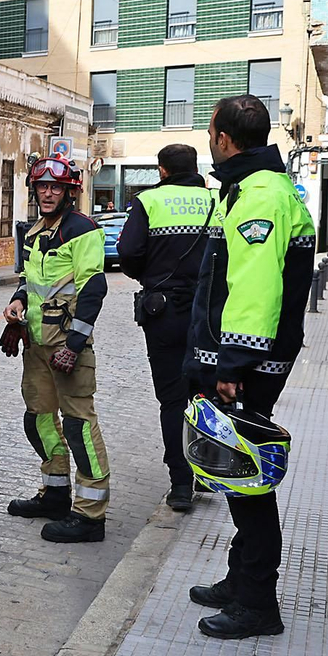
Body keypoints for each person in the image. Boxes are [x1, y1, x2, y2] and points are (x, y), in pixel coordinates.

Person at [184, 94, 315, 640]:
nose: (209, 143)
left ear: (223, 139)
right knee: (236, 474)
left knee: (247, 478)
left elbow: (255, 288)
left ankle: (258, 602)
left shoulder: (260, 196)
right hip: (243, 359)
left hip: (246, 364)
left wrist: (233, 365)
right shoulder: (253, 188)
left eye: (211, 134)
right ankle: (241, 579)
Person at [4, 156, 112, 542]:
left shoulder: (82, 230)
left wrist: (75, 345)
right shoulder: (34, 232)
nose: (48, 193)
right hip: (36, 344)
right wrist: (18, 300)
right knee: (39, 420)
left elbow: (93, 288)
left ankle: (90, 515)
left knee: (79, 425)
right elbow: (31, 280)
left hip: (68, 347)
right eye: (42, 186)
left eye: (56, 187)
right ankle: (55, 493)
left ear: (69, 192)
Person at [116, 144, 217, 513]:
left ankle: (181, 484)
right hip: (210, 314)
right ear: (195, 168)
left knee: (173, 399)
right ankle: (209, 470)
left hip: (164, 312)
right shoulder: (217, 200)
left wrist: (150, 277)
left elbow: (128, 252)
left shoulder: (149, 202)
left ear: (162, 170)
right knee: (207, 394)